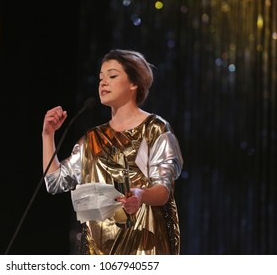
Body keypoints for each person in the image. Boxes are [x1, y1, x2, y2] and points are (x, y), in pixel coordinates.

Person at [42, 49, 183, 255]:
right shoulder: (92, 139)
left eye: (113, 76)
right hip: (98, 251)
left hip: (144, 246)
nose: (103, 82)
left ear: (134, 84)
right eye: (101, 77)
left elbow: (163, 190)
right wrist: (48, 135)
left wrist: (140, 195)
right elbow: (54, 182)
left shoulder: (155, 129)